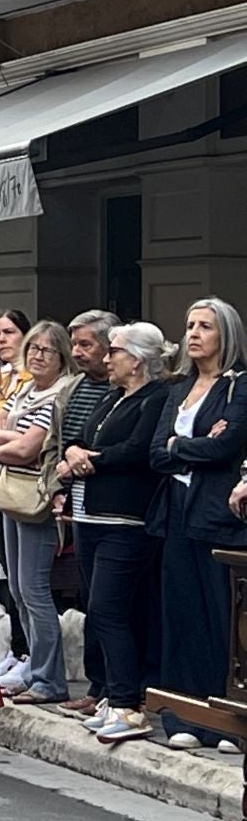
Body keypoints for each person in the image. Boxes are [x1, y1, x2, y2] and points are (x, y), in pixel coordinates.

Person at [58, 323, 171, 744]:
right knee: (95, 605)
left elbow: (140, 450)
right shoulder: (110, 397)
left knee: (110, 607)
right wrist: (72, 452)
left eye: (115, 352)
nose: (108, 358)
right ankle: (110, 692)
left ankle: (128, 702)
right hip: (89, 516)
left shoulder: (155, 398)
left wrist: (92, 460)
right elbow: (79, 435)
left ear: (137, 360)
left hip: (125, 520)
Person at [148, 296, 247, 751]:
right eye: (189, 325)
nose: (193, 334)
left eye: (204, 326)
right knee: (181, 613)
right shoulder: (176, 389)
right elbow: (156, 453)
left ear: (225, 335)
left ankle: (224, 719)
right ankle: (182, 715)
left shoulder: (238, 387)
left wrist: (178, 447)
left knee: (220, 618)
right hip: (176, 512)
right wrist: (190, 445)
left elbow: (225, 449)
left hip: (216, 517)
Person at [0, 321, 73, 705]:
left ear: (61, 356)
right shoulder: (27, 391)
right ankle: (34, 667)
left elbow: (29, 449)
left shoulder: (59, 395)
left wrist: (10, 441)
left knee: (34, 589)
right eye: (33, 349)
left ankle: (51, 678)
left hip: (37, 497)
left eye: (46, 351)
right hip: (10, 490)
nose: (37, 356)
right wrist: (12, 441)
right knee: (16, 588)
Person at [52, 310, 117, 714]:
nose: (77, 352)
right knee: (91, 597)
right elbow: (66, 439)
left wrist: (83, 458)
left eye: (86, 345)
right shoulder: (73, 387)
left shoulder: (120, 391)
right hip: (74, 502)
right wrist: (60, 486)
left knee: (108, 604)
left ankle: (116, 687)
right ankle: (96, 685)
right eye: (74, 344)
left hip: (110, 507)